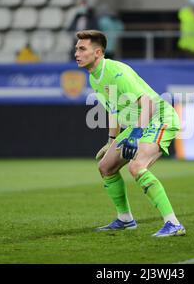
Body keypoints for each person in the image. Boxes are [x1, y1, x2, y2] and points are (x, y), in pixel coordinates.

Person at [74, 30, 185, 237]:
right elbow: (114, 110)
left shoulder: (116, 72)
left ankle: (173, 223)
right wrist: (112, 140)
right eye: (76, 48)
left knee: (137, 167)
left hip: (159, 119)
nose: (76, 53)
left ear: (98, 53)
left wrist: (135, 134)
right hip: (138, 125)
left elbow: (148, 103)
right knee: (106, 167)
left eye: (82, 48)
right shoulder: (94, 77)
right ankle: (125, 219)